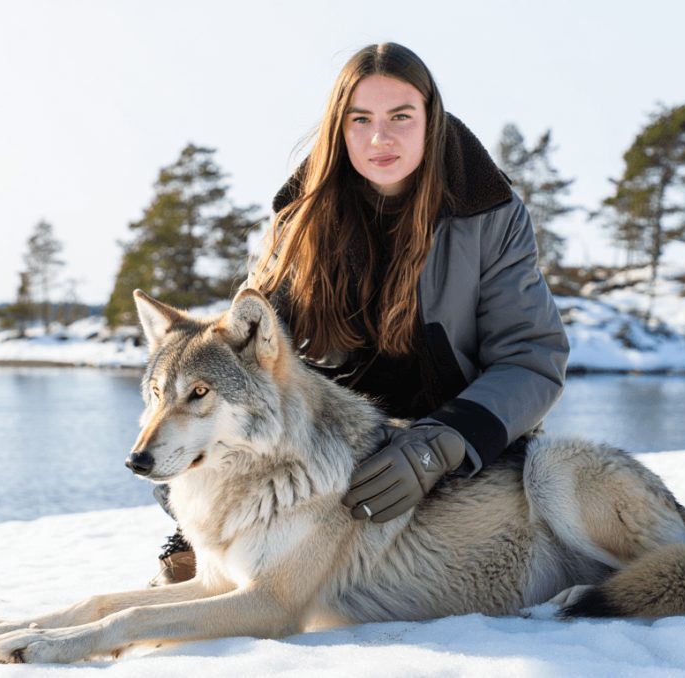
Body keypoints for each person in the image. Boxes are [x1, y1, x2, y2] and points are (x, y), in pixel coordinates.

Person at [150, 42, 568, 585]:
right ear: (338, 129)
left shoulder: (489, 214)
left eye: (401, 117)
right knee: (176, 462)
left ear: (431, 121)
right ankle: (213, 546)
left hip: (445, 438)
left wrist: (442, 444)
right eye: (360, 119)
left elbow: (532, 358)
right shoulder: (297, 218)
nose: (380, 138)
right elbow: (246, 347)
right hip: (339, 444)